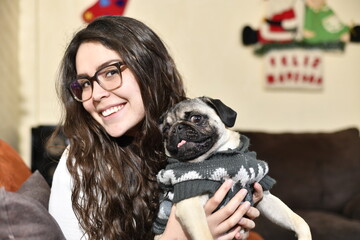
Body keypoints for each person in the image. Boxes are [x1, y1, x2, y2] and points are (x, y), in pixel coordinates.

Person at [49, 15, 263, 240]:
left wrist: (235, 211)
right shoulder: (79, 165)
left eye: (110, 72)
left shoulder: (190, 134)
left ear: (148, 67)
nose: (97, 94)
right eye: (85, 84)